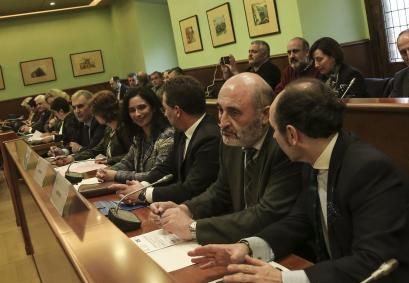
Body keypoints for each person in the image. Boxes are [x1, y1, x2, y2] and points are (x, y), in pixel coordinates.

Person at [189, 79, 409, 283]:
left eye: (274, 130)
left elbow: (373, 263)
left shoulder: (368, 170)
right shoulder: (315, 157)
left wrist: (285, 282)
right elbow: (299, 221)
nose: (273, 137)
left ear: (293, 135)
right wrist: (247, 247)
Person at [154, 73, 301, 244]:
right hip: (240, 242)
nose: (223, 123)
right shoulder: (232, 140)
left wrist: (193, 228)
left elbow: (266, 214)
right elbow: (221, 190)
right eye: (220, 110)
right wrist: (186, 209)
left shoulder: (285, 147)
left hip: (278, 247)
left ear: (265, 115)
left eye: (234, 112)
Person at [117, 75, 220, 204]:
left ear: (177, 111)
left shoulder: (209, 138)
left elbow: (192, 188)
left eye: (165, 109)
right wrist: (141, 186)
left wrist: (145, 194)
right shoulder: (181, 131)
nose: (164, 114)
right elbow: (166, 168)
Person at [96, 86, 174, 184]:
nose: (137, 114)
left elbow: (156, 176)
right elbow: (127, 162)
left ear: (153, 108)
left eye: (142, 107)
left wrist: (115, 175)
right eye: (132, 110)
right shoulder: (139, 136)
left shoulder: (167, 135)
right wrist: (106, 171)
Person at [54, 91, 132, 165]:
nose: (94, 115)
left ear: (103, 111)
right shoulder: (109, 129)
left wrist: (109, 160)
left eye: (94, 111)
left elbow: (132, 155)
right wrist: (71, 157)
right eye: (74, 107)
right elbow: (95, 150)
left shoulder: (124, 128)